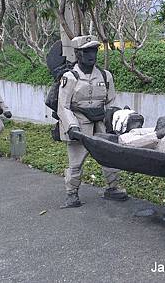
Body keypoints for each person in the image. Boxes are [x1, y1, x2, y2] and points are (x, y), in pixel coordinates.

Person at [57, 35, 128, 208]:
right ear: (78, 54)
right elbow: (64, 106)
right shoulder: (70, 77)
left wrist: (115, 119)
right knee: (76, 161)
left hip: (101, 123)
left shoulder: (105, 75)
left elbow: (111, 101)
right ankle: (71, 194)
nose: (92, 55)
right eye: (87, 51)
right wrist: (72, 127)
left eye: (94, 51)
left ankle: (112, 188)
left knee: (109, 156)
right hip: (79, 124)